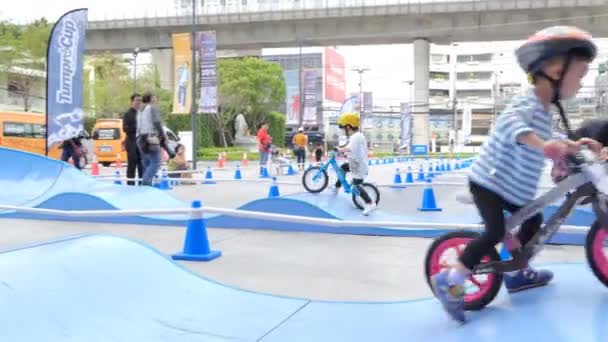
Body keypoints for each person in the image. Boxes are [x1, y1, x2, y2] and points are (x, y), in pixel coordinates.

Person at [431, 26, 602, 324]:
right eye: (581, 72)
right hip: (490, 184)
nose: (582, 79)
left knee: (533, 222)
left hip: (514, 191)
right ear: (554, 68)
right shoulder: (527, 103)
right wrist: (542, 144)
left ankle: (517, 273)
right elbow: (512, 123)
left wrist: (573, 145)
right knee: (495, 232)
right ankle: (451, 278)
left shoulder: (546, 110)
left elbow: (551, 135)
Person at [334, 112, 376, 216]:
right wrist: (345, 153)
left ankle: (369, 203)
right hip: (354, 164)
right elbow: (352, 150)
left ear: (348, 127)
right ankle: (337, 187)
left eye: (343, 128)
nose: (343, 130)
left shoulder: (357, 137)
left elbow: (348, 148)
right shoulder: (355, 137)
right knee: (343, 167)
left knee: (356, 186)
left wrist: (339, 149)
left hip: (359, 167)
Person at [136, 92, 168, 186]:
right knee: (156, 162)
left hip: (140, 138)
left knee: (146, 162)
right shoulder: (152, 108)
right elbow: (157, 122)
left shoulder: (140, 110)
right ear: (151, 99)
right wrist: (163, 136)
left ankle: (147, 187)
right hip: (151, 138)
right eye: (155, 98)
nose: (156, 100)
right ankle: (146, 183)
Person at [122, 93, 143, 186]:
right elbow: (125, 129)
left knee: (142, 166)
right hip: (131, 143)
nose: (139, 102)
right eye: (137, 100)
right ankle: (130, 186)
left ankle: (143, 186)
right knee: (132, 166)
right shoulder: (128, 114)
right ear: (132, 101)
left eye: (140, 100)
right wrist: (137, 127)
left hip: (142, 144)